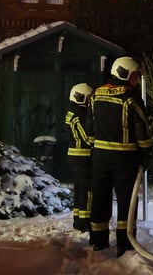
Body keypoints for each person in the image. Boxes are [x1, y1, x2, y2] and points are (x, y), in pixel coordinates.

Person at [87, 56, 151, 256]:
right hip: (125, 159)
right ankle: (125, 243)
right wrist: (146, 153)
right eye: (134, 75)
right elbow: (141, 129)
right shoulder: (130, 98)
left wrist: (94, 147)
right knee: (127, 201)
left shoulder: (96, 95)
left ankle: (98, 241)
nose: (136, 80)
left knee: (99, 198)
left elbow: (89, 126)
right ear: (124, 73)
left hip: (99, 158)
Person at [64, 82, 94, 233]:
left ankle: (78, 219)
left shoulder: (71, 112)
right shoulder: (80, 114)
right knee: (86, 190)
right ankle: (85, 221)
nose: (90, 101)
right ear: (80, 97)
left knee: (79, 190)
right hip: (83, 156)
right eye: (89, 98)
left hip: (75, 156)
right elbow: (87, 138)